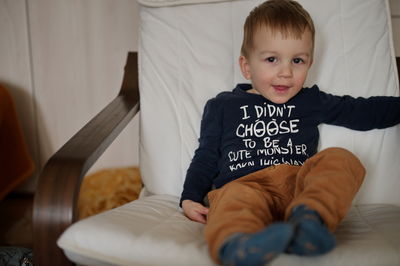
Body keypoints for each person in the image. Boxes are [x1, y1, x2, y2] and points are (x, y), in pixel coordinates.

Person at [180, 0, 400, 265]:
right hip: (244, 186)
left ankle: (310, 222)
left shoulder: (310, 101)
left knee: (342, 159)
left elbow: (361, 111)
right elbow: (205, 155)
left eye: (297, 60)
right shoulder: (222, 106)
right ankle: (238, 244)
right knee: (231, 199)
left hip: (299, 189)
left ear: (309, 63)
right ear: (247, 66)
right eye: (272, 59)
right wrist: (190, 197)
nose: (286, 72)